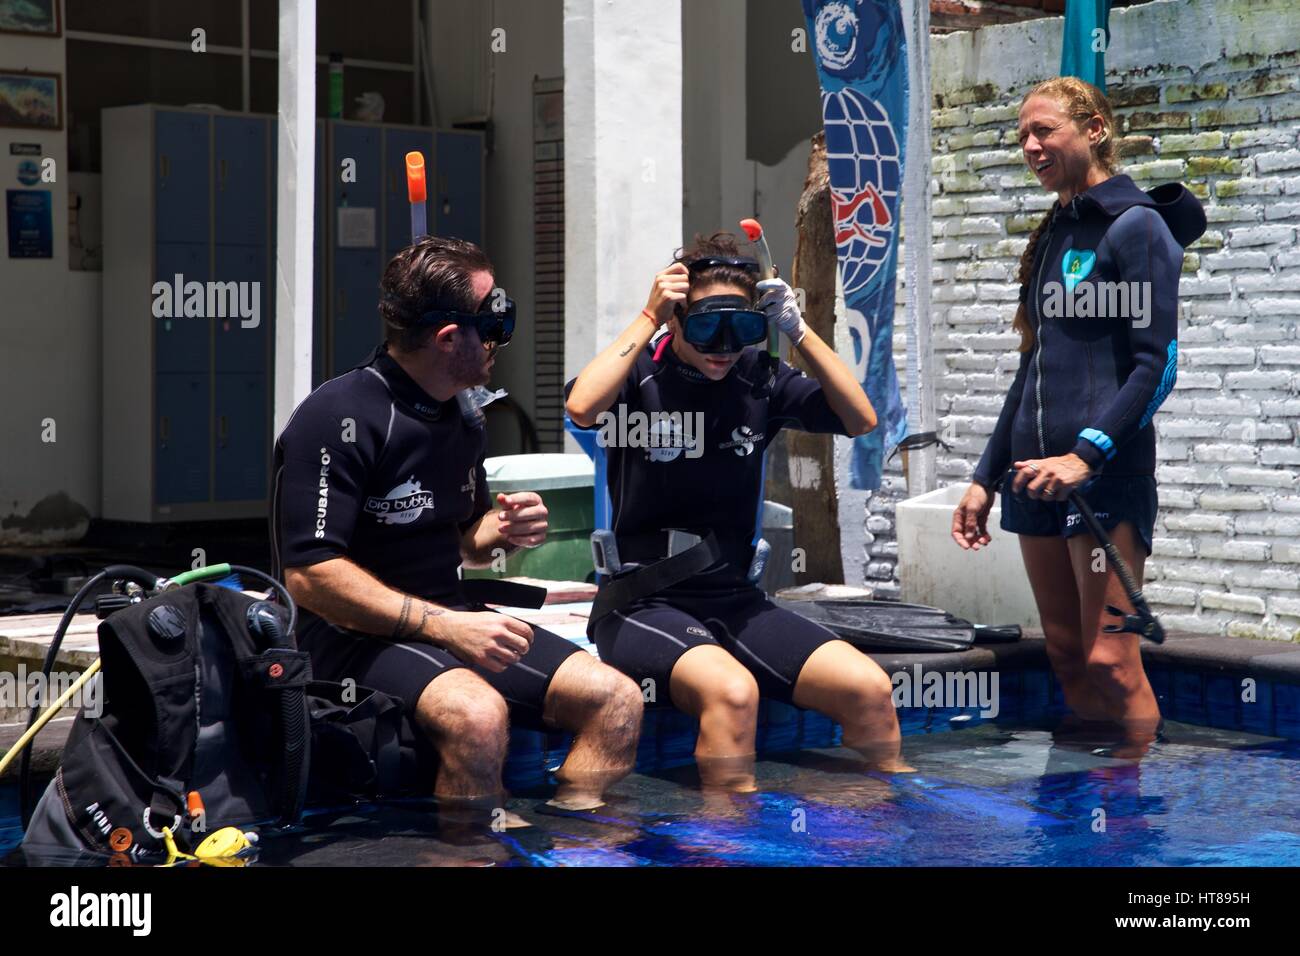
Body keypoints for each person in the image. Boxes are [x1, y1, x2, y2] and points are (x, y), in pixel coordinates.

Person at [272, 236, 643, 816]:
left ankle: (574, 841)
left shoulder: (463, 416)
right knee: (478, 715)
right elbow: (310, 578)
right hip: (347, 639)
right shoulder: (338, 417)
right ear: (449, 338)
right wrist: (446, 627)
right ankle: (468, 851)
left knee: (616, 699)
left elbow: (462, 540)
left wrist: (501, 527)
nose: (499, 342)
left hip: (448, 616)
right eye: (493, 324)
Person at [565, 232, 908, 792]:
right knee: (734, 692)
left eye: (742, 327)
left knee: (869, 689)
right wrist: (648, 315)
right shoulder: (639, 375)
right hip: (642, 601)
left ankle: (882, 830)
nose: (723, 346)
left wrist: (798, 331)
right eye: (705, 326)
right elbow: (581, 406)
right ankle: (729, 841)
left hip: (734, 600)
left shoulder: (761, 376)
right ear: (676, 319)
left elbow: (862, 419)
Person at [951, 77, 1205, 750]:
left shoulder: (1137, 226)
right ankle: (1084, 813)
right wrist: (985, 475)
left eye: (1045, 131)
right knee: (1064, 653)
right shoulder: (1052, 237)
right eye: (1023, 137)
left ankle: (1127, 816)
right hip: (1034, 477)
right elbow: (1031, 368)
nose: (1031, 146)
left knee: (1111, 661)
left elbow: (1160, 364)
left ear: (1095, 130)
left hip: (1103, 480)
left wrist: (1084, 455)